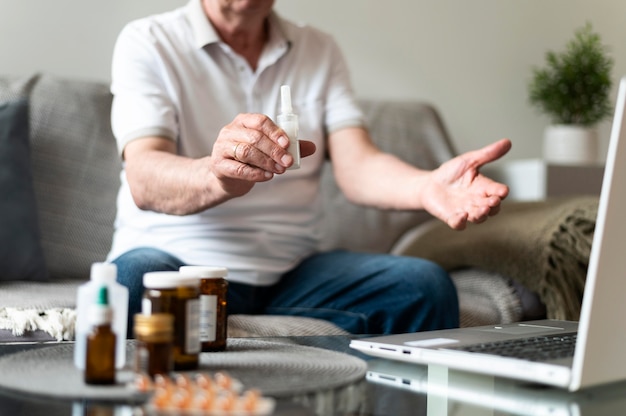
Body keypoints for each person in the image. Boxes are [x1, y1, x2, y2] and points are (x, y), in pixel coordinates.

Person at [107, 0, 512, 337]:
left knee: (422, 287)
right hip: (176, 262)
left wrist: (426, 187)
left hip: (289, 273)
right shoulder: (148, 42)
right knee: (129, 285)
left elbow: (359, 164)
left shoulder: (319, 50)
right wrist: (218, 175)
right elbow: (145, 176)